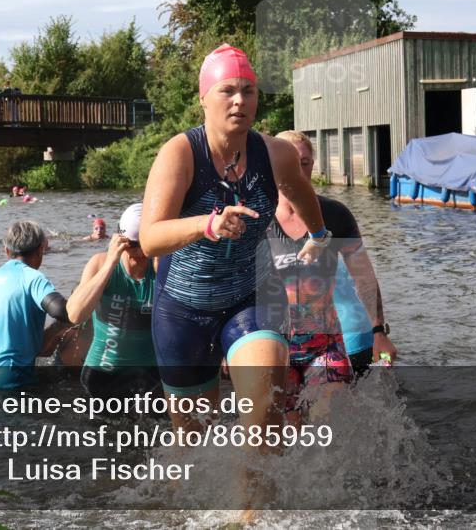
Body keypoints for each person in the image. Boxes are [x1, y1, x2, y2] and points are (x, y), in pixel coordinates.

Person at [139, 44, 329, 448]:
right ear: (204, 98)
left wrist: (318, 235)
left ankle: (251, 512)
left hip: (250, 295)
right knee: (193, 442)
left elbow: (300, 191)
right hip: (182, 309)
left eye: (249, 91)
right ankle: (183, 509)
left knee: (265, 410)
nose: (240, 100)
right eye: (228, 90)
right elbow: (150, 238)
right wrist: (207, 224)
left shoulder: (275, 153)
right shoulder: (180, 154)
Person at [269, 130, 396, 421]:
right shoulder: (257, 218)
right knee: (283, 439)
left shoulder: (335, 214)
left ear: (314, 164)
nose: (298, 171)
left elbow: (364, 276)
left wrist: (379, 333)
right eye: (289, 163)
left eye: (304, 162)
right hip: (274, 348)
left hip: (325, 346)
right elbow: (235, 284)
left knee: (331, 418)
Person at [67, 203, 161, 400]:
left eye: (144, 247)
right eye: (132, 246)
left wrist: (162, 270)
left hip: (151, 376)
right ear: (119, 240)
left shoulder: (161, 265)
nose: (138, 255)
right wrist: (110, 263)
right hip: (102, 374)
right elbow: (75, 314)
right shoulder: (101, 263)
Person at [0, 221, 72, 389]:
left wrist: (55, 330)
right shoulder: (32, 277)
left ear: (7, 251)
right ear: (40, 250)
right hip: (9, 378)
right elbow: (61, 310)